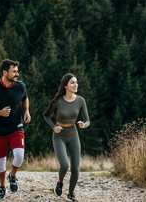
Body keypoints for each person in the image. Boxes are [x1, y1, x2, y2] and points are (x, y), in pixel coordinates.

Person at [0, 59, 31, 199]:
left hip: (16, 127)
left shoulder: (20, 86)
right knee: (1, 161)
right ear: (5, 72)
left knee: (19, 155)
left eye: (17, 71)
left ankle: (13, 175)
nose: (17, 74)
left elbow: (25, 98)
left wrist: (26, 111)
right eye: (14, 71)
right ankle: (2, 187)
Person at [43, 73, 90, 202]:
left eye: (76, 82)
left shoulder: (80, 100)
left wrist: (83, 125)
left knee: (75, 168)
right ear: (65, 86)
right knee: (64, 165)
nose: (76, 85)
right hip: (59, 135)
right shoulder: (58, 101)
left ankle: (70, 193)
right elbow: (46, 115)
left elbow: (88, 121)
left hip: (73, 134)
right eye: (72, 83)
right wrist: (53, 127)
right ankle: (60, 181)